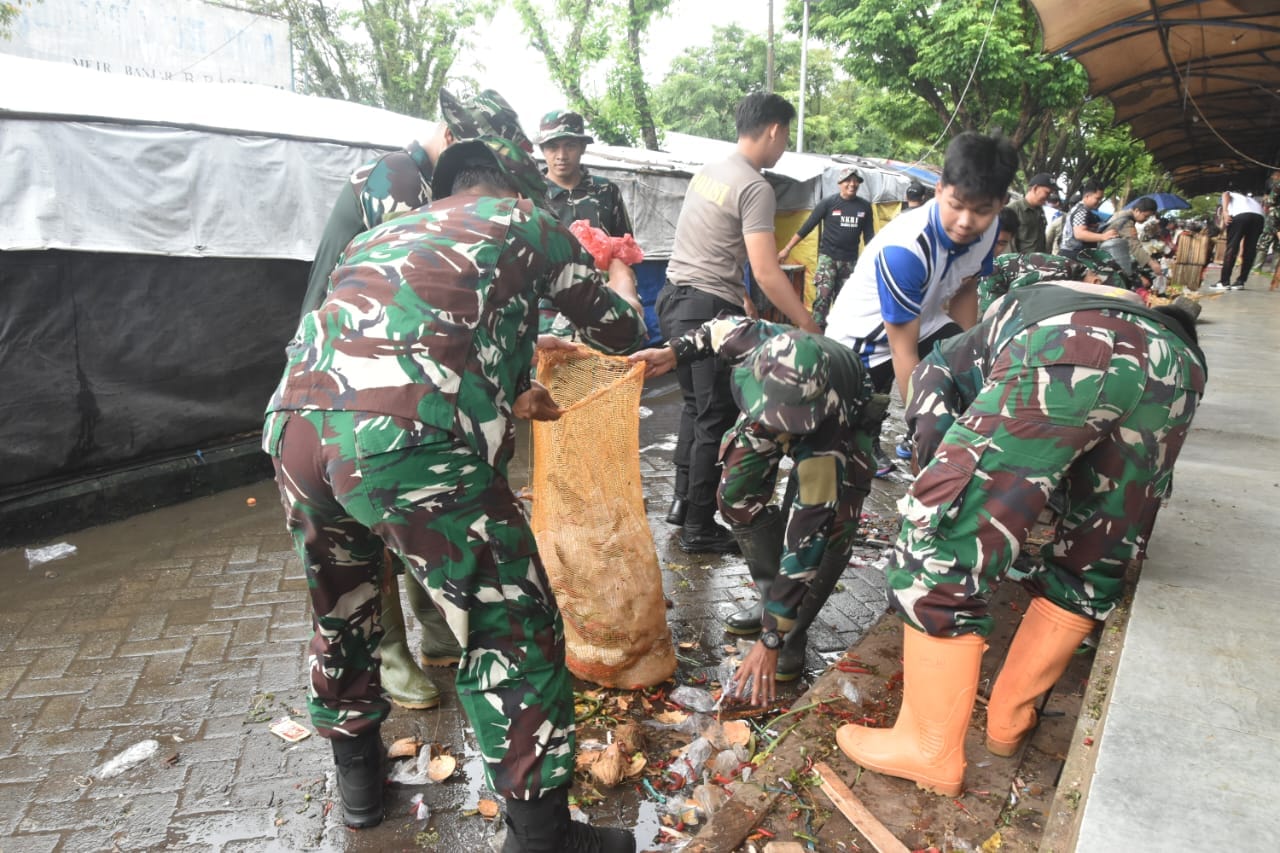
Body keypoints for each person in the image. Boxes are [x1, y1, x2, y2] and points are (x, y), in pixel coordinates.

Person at [263, 136, 646, 848]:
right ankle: (543, 838)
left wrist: (514, 381)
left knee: (343, 611)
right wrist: (620, 271)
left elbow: (416, 340)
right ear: (514, 187)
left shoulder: (387, 235)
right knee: (513, 625)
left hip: (297, 428)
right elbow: (622, 331)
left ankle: (360, 793)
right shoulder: (523, 221)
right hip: (402, 437)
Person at [834, 281, 1206, 798]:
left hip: (1069, 347)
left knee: (937, 547)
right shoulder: (1126, 314)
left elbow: (931, 429)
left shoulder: (944, 360)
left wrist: (948, 501)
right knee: (1092, 555)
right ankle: (1010, 719)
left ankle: (928, 749)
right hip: (1178, 368)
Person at [295, 88, 534, 712]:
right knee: (373, 519)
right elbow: (396, 305)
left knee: (429, 498)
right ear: (455, 139)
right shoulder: (394, 183)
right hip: (351, 382)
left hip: (409, 378)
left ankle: (437, 630)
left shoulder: (440, 182)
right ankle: (388, 653)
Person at [630, 315, 877, 676]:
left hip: (841, 416)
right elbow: (713, 330)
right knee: (735, 495)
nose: (778, 431)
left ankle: (790, 633)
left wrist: (773, 637)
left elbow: (809, 532)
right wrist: (672, 353)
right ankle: (771, 601)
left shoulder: (830, 434)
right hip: (774, 398)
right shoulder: (748, 340)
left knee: (834, 528)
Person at [657, 92, 817, 554]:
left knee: (695, 409)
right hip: (706, 307)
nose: (784, 146)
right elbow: (767, 270)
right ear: (774, 130)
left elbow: (712, 243)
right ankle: (699, 528)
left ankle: (682, 505)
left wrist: (740, 297)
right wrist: (806, 323)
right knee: (715, 418)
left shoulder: (710, 171)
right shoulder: (755, 186)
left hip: (675, 298)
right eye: (786, 136)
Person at [825, 131, 1015, 476]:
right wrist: (920, 423)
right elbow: (904, 351)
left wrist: (965, 354)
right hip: (864, 343)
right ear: (939, 190)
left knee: (976, 381)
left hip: (925, 321)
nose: (966, 222)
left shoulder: (990, 230)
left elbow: (967, 287)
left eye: (981, 210)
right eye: (956, 205)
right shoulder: (906, 250)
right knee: (844, 444)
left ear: (1001, 203)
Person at [535, 109, 638, 336]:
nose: (561, 155)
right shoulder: (532, 195)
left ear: (582, 147)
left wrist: (623, 289)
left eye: (570, 146)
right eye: (553, 147)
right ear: (542, 150)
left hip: (601, 305)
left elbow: (625, 249)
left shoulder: (606, 191)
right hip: (546, 311)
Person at [777, 166, 876, 329]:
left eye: (856, 181)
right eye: (848, 181)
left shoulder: (864, 207)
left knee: (845, 303)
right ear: (840, 183)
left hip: (850, 262)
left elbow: (869, 237)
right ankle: (816, 335)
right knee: (822, 299)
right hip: (828, 259)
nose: (852, 184)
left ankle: (839, 337)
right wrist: (787, 249)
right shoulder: (829, 203)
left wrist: (874, 260)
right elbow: (807, 227)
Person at [1102, 197, 1164, 283]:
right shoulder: (1126, 222)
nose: (1146, 219)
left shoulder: (1121, 215)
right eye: (1146, 216)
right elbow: (1134, 246)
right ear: (1137, 211)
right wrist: (1152, 263)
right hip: (1108, 258)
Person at [1212, 190, 1265, 290]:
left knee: (1232, 247)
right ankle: (1240, 281)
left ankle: (1224, 282)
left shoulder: (1232, 195)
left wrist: (1225, 211)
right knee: (1250, 249)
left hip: (1241, 216)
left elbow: (1225, 194)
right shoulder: (1249, 200)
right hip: (1259, 218)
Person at [1058, 182, 1117, 260]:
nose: (1099, 202)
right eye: (1097, 198)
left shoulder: (1080, 209)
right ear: (1087, 196)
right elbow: (1079, 234)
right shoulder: (1081, 211)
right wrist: (1103, 236)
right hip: (1073, 256)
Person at [1005, 173, 1055, 254]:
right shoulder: (1013, 209)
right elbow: (1007, 244)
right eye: (1047, 193)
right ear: (1035, 188)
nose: (1049, 197)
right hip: (1019, 260)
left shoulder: (1040, 211)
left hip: (1038, 259)